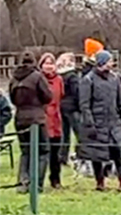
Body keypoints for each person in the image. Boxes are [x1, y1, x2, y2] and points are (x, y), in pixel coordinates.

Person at [79, 50, 121, 191]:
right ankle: (100, 182)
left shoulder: (114, 79)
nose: (112, 63)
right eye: (109, 61)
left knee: (118, 154)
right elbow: (84, 104)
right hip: (97, 122)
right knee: (97, 155)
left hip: (113, 122)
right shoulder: (88, 80)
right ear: (102, 62)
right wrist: (90, 123)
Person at [9, 51, 52, 194]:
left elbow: (12, 98)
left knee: (25, 152)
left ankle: (23, 182)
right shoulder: (37, 77)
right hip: (36, 118)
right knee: (43, 151)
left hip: (20, 117)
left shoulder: (14, 78)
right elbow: (47, 96)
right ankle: (37, 184)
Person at [38, 53, 64, 189]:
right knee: (43, 152)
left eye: (51, 63)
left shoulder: (59, 80)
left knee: (56, 153)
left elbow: (61, 97)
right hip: (43, 117)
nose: (49, 66)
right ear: (41, 65)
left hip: (56, 119)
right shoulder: (38, 79)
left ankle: (55, 179)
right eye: (46, 63)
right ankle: (38, 180)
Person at [54, 52, 80, 166]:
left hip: (61, 106)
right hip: (72, 107)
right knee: (79, 132)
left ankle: (62, 156)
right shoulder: (72, 76)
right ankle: (80, 155)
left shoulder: (59, 75)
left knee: (65, 134)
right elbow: (76, 92)